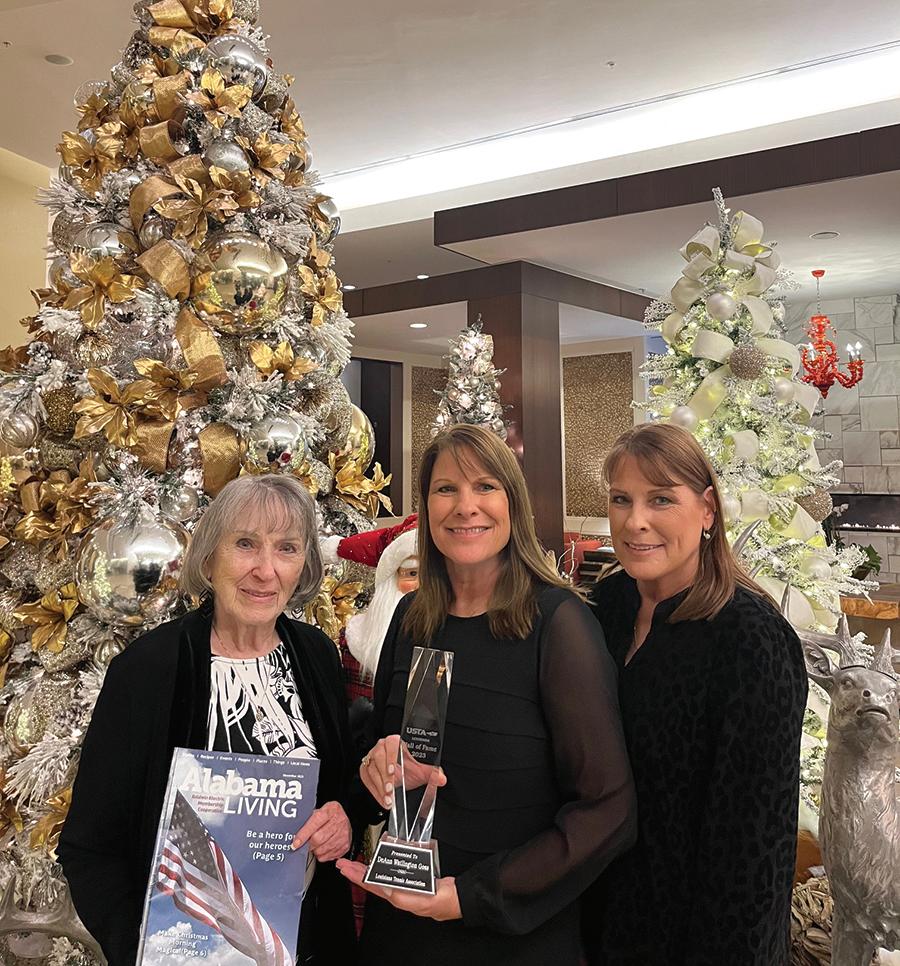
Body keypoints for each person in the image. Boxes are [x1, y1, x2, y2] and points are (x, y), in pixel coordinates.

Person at [337, 423, 636, 966]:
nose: (465, 506)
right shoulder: (410, 619)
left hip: (510, 935)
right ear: (426, 507)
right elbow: (390, 754)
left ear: (512, 503)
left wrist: (470, 897)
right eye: (445, 489)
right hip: (402, 926)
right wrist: (375, 769)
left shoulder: (558, 625)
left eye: (485, 487)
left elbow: (607, 810)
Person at [58, 475, 360, 966]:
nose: (265, 570)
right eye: (245, 544)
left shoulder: (317, 656)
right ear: (209, 557)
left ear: (303, 565)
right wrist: (142, 949)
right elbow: (89, 846)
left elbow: (339, 791)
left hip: (308, 946)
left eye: (286, 548)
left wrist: (341, 821)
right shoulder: (148, 670)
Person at [582, 423, 808, 966]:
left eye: (661, 499)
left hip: (696, 939)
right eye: (621, 499)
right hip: (596, 922)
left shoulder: (751, 638)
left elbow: (755, 849)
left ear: (707, 509)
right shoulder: (605, 606)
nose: (635, 521)